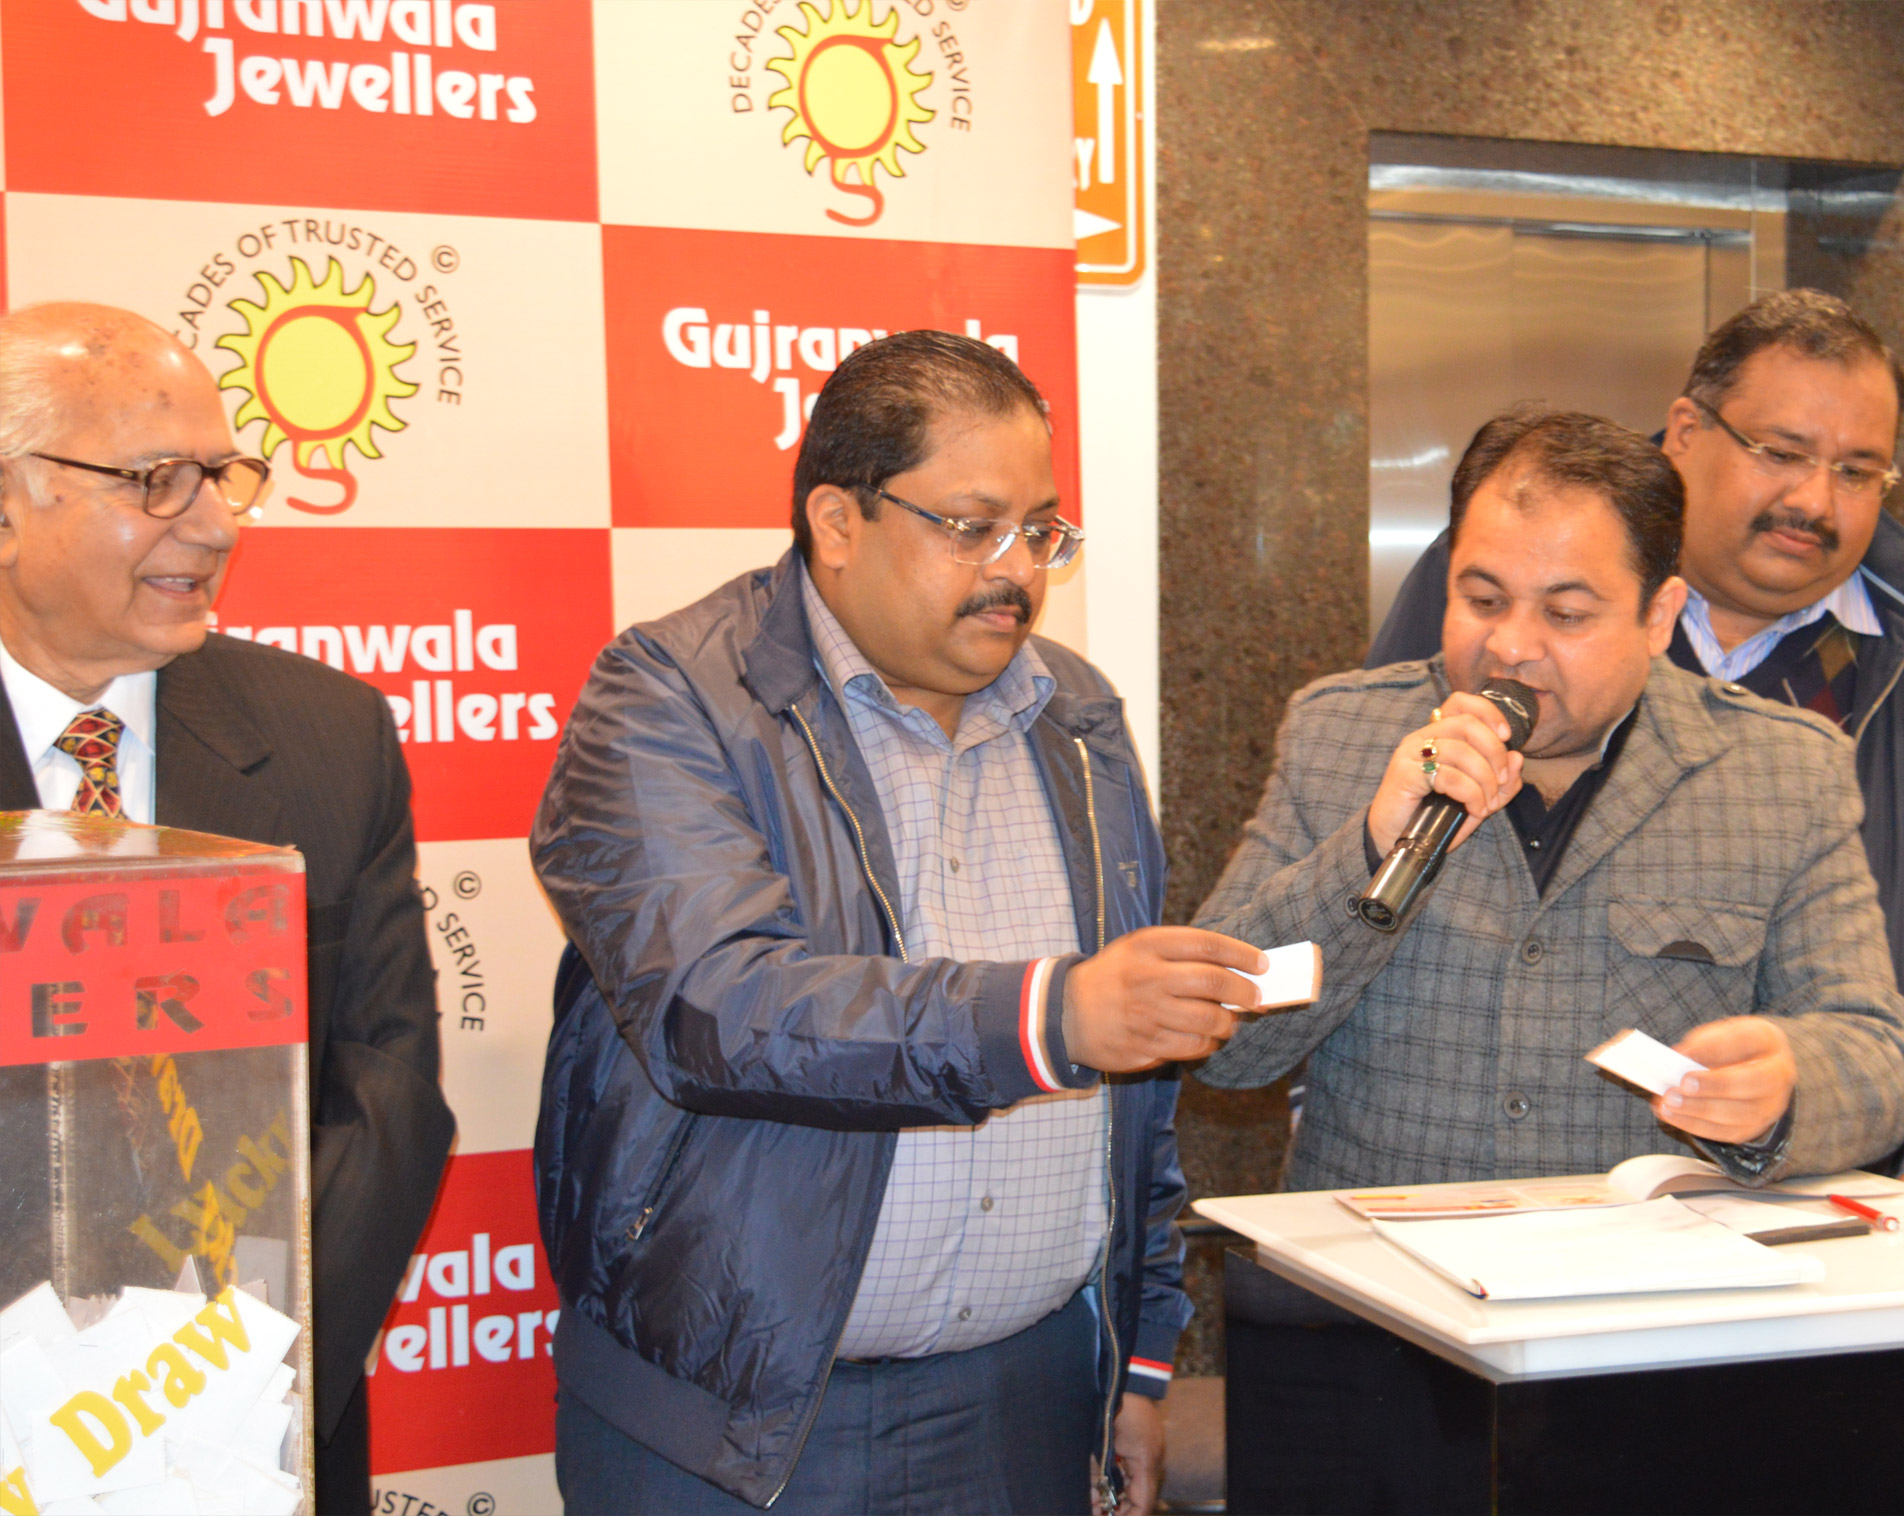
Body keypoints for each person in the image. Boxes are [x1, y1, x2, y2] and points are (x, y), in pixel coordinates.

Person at [531, 330, 1265, 1516]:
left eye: (1040, 530)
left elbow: (1135, 1099)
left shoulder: (1075, 712)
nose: (1016, 570)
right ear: (837, 521)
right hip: (736, 1419)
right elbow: (715, 1005)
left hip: (1024, 1402)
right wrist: (1047, 1016)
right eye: (971, 527)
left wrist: (1137, 1353)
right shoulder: (670, 696)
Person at [1367, 291, 1904, 1200]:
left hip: (1849, 1198)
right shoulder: (1507, 589)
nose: (1812, 500)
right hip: (1501, 1190)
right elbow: (1364, 829)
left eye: (1857, 471)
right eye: (1780, 452)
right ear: (1685, 432)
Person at [1194, 406, 1904, 1189]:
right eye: (1482, 600)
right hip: (1371, 1259)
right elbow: (1219, 1038)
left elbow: (1878, 1060)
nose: (1510, 646)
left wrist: (1785, 1086)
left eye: (1565, 614)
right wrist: (1370, 848)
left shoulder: (1782, 773)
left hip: (1643, 1260)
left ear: (1657, 617)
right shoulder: (1338, 734)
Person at [0, 303, 453, 1513]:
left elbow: (386, 1093)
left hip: (254, 1438)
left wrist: (230, 1384)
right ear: (8, 504)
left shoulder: (324, 736)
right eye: (156, 480)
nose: (216, 522)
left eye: (222, 474)